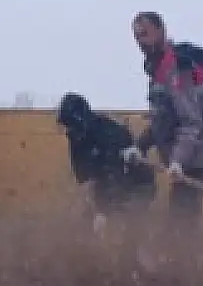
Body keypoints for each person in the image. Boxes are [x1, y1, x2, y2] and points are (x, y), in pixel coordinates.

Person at [123, 11, 203, 219]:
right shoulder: (158, 69)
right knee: (201, 193)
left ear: (161, 31)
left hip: (194, 156)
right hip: (186, 160)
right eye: (137, 37)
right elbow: (161, 119)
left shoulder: (177, 69)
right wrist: (140, 146)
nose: (140, 42)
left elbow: (191, 123)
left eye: (145, 34)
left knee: (181, 219)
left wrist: (178, 161)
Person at [56, 92, 157, 223]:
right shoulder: (77, 140)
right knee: (86, 221)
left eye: (70, 125)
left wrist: (102, 212)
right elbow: (87, 181)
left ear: (79, 120)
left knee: (126, 221)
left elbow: (115, 176)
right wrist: (95, 209)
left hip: (137, 186)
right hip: (107, 187)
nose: (68, 130)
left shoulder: (111, 134)